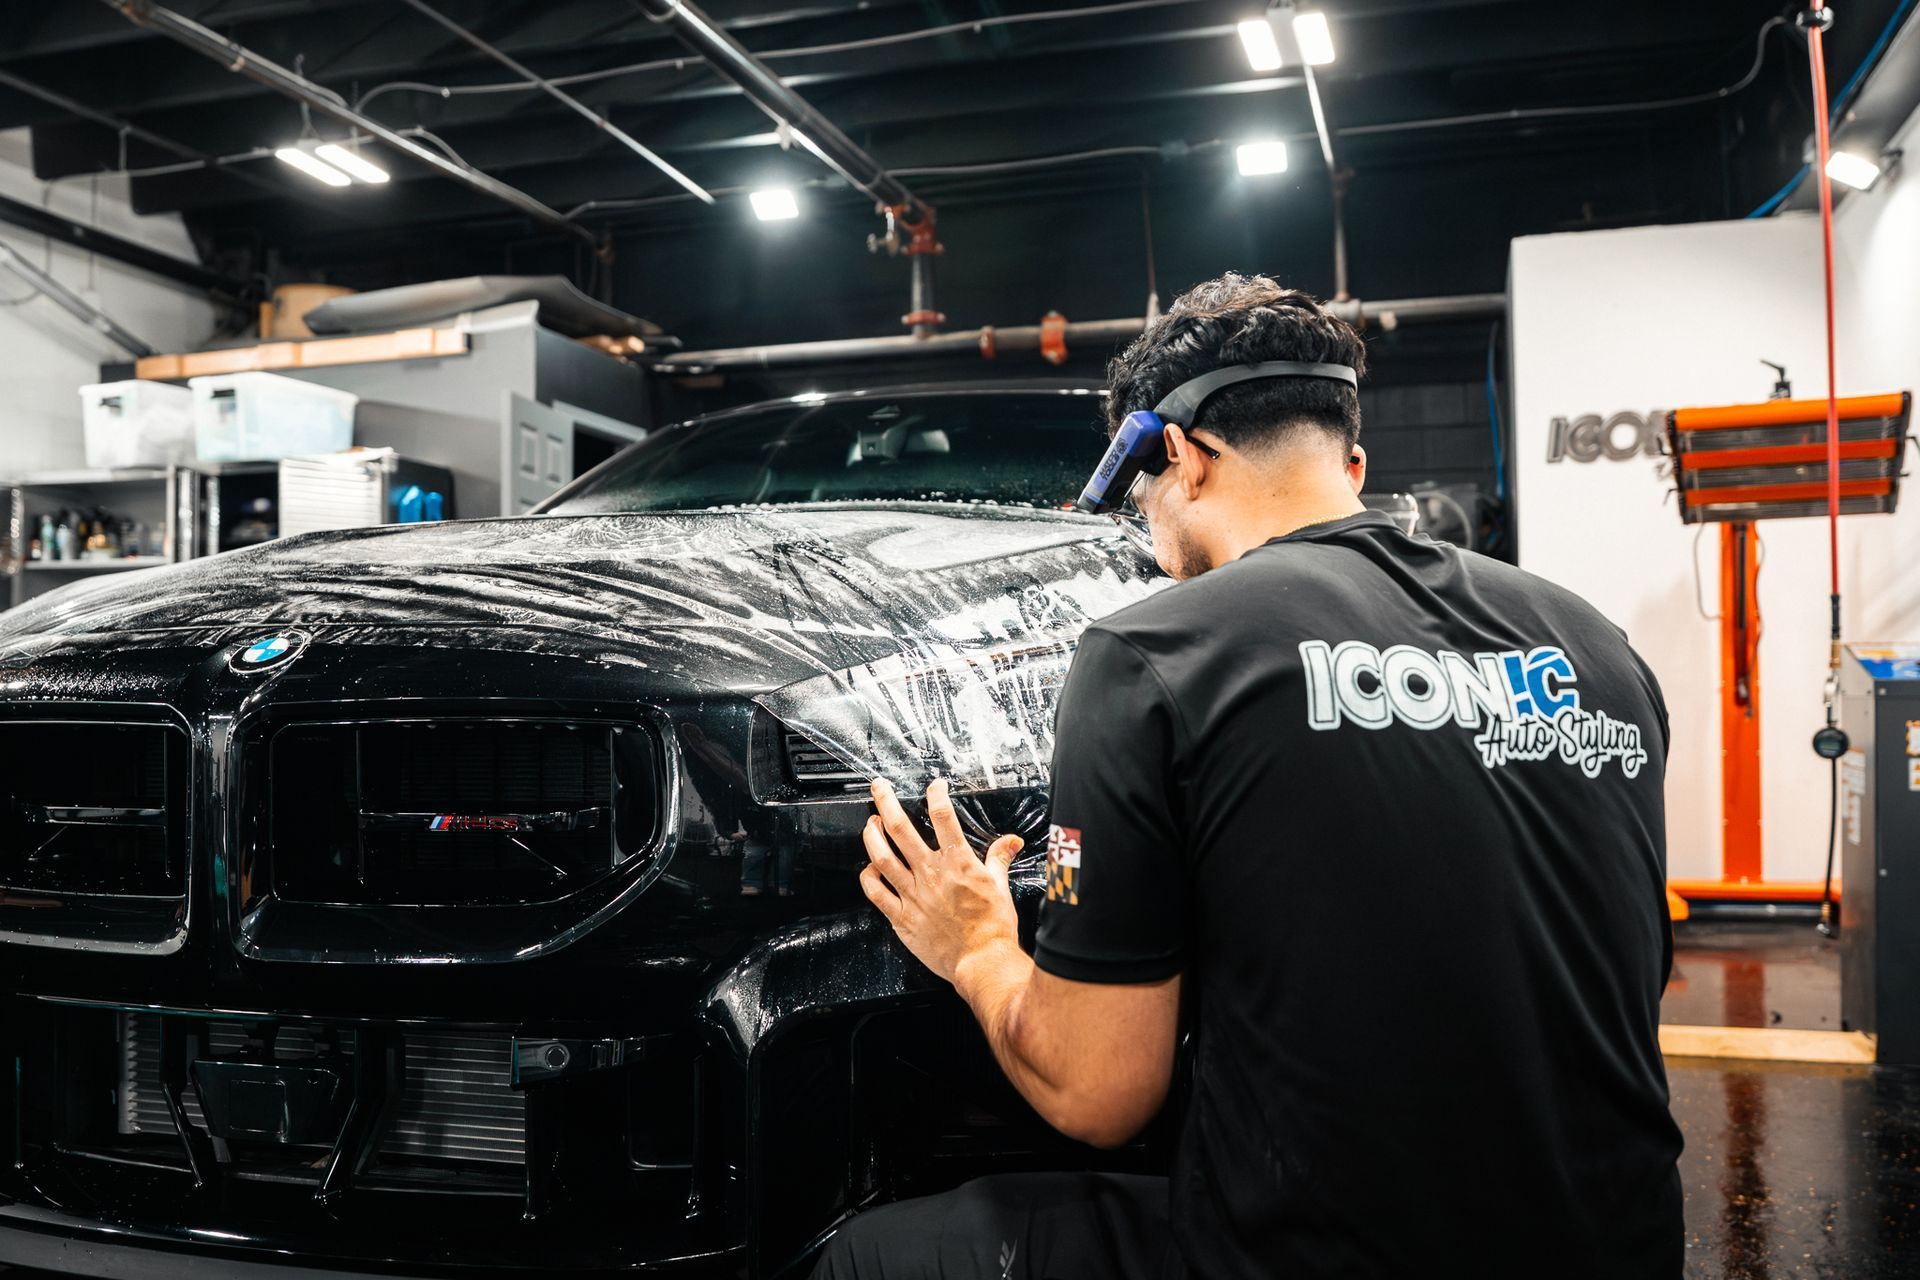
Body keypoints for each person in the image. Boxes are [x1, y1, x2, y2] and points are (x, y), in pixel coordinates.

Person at [815, 274, 1683, 1278]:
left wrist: (976, 945)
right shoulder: (1597, 646)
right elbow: (1617, 969)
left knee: (870, 1256)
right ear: (1350, 459)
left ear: (1179, 456)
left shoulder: (1157, 650)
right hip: (1620, 1246)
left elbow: (1100, 1094)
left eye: (1140, 496)